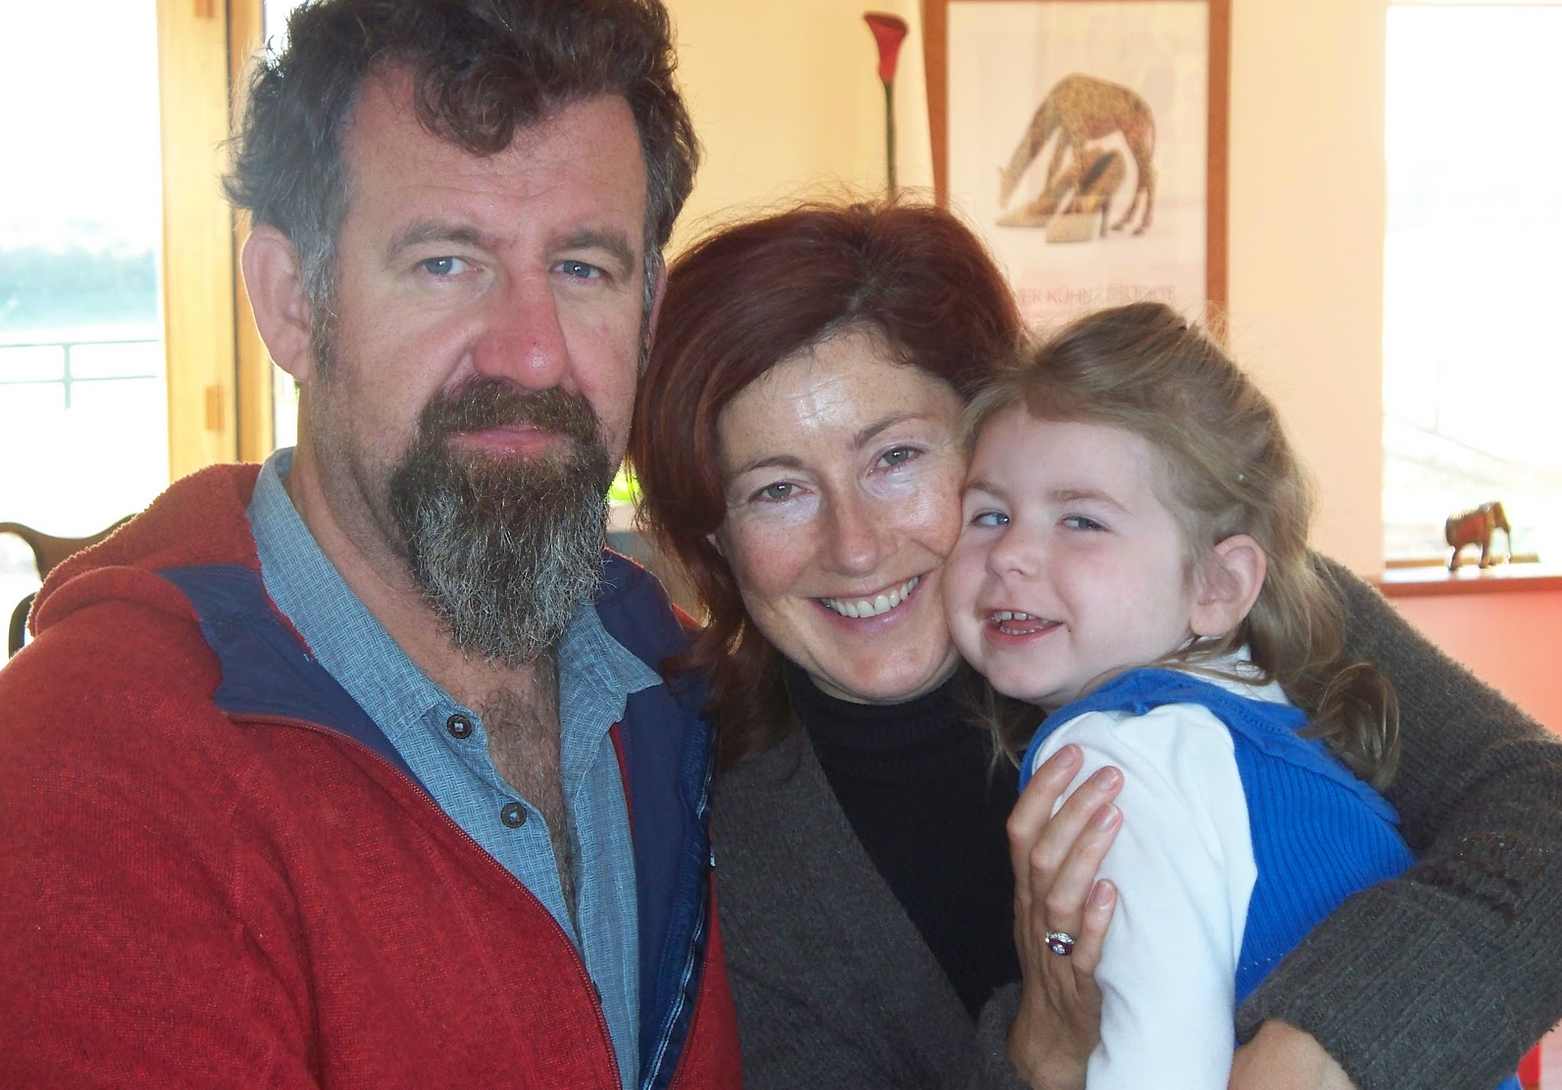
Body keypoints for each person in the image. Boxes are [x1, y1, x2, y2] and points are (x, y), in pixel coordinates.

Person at [0, 0, 740, 1089]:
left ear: (646, 308)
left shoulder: (682, 691)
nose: (532, 351)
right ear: (291, 301)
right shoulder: (98, 764)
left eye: (582, 267)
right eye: (446, 262)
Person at [626, 197, 1562, 1090]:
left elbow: (1542, 817)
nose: (855, 546)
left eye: (896, 457)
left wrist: (1323, 1047)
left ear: (995, 436)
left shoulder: (1228, 599)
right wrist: (1039, 1060)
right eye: (777, 490)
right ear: (717, 542)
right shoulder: (731, 856)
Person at [942, 300, 1520, 1090]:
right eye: (989, 514)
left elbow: (1161, 1063)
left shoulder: (1113, 756)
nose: (1010, 553)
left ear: (1217, 586)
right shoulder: (1267, 716)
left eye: (1080, 521)